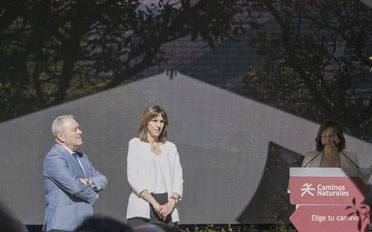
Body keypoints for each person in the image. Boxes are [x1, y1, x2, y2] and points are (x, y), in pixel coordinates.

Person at [43, 115, 108, 232]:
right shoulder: (54, 157)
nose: (80, 132)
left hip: (83, 225)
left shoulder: (82, 157)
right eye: (75, 129)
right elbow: (76, 187)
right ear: (61, 136)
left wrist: (87, 181)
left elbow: (103, 179)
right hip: (63, 225)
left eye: (78, 128)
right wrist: (95, 195)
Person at [126, 106, 183, 227]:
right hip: (141, 207)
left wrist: (171, 203)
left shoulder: (170, 147)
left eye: (162, 121)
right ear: (146, 121)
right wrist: (154, 203)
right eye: (154, 120)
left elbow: (178, 180)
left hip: (167, 209)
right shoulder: (135, 144)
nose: (158, 125)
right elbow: (133, 178)